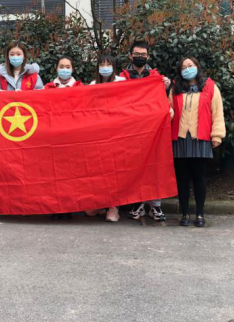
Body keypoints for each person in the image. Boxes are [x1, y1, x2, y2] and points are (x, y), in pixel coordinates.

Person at [169, 56, 225, 227]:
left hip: (200, 137)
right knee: (182, 178)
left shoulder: (210, 86)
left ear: (197, 67)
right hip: (180, 138)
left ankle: (200, 214)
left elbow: (217, 112)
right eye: (183, 67)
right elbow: (168, 108)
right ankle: (184, 213)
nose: (187, 69)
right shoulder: (175, 88)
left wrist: (217, 135)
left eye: (190, 65)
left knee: (199, 177)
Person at [122, 40, 171, 222]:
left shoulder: (156, 77)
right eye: (137, 54)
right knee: (134, 166)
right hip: (130, 129)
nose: (140, 57)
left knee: (154, 165)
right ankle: (138, 203)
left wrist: (166, 87)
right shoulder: (122, 78)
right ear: (130, 55)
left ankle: (155, 205)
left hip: (152, 129)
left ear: (148, 56)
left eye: (143, 55)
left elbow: (164, 102)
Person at [86, 54, 125, 222]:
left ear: (114, 66)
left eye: (108, 64)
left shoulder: (122, 82)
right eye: (102, 64)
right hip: (98, 134)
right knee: (98, 170)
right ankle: (99, 203)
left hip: (117, 133)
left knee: (115, 171)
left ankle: (113, 207)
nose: (105, 67)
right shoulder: (92, 85)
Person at [45, 56, 83, 220]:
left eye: (68, 67)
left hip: (72, 137)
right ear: (56, 68)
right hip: (53, 137)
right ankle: (55, 207)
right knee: (54, 174)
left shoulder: (80, 88)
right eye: (61, 66)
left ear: (72, 69)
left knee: (70, 174)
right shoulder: (48, 88)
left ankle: (68, 207)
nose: (64, 69)